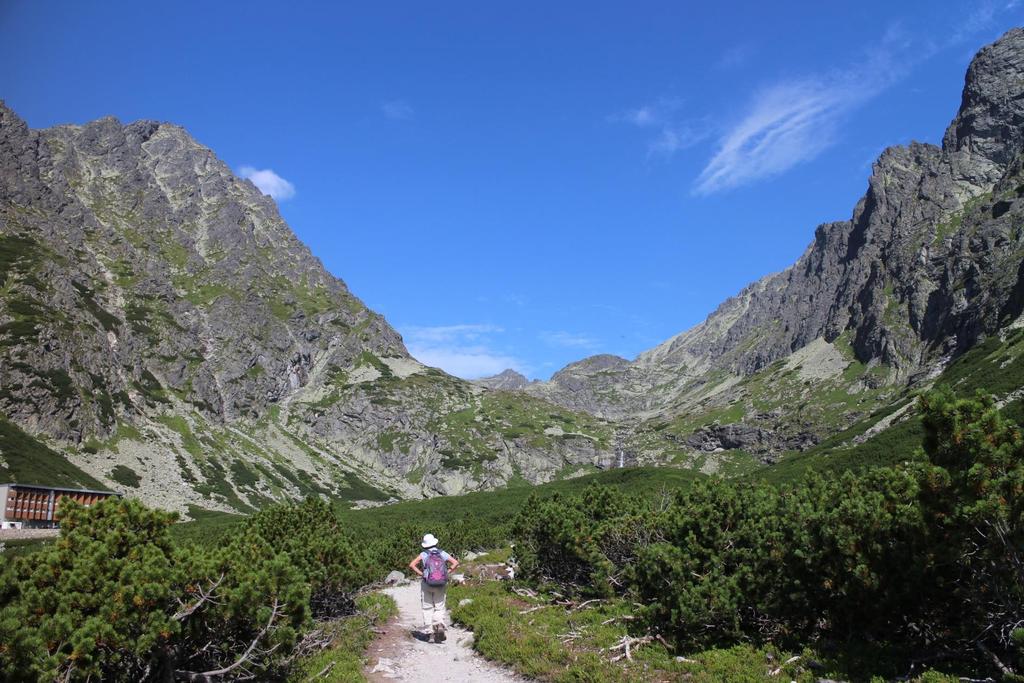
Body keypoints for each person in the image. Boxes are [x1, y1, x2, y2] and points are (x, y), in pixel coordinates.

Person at [408, 533, 459, 642]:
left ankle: (430, 634)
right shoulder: (442, 553)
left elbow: (412, 564)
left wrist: (422, 574)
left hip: (427, 583)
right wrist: (447, 572)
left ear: (425, 544)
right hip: (441, 583)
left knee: (427, 607)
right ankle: (439, 624)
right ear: (435, 542)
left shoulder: (423, 554)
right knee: (439, 606)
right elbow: (455, 563)